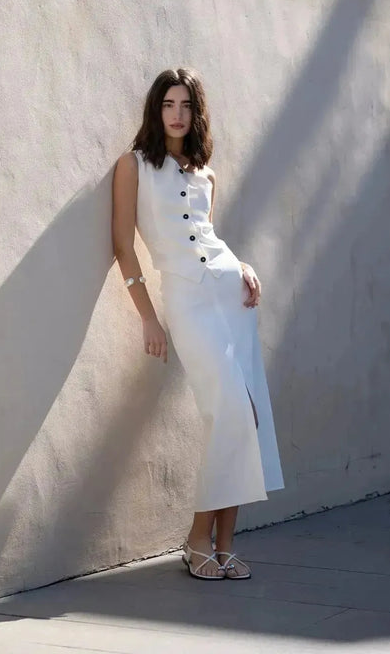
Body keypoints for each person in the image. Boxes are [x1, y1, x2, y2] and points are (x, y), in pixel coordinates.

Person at [112, 67, 284, 580]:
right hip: (185, 302)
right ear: (155, 109)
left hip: (232, 297)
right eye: (168, 104)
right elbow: (124, 246)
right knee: (228, 408)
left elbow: (207, 236)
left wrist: (245, 266)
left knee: (244, 416)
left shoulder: (205, 173)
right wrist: (148, 317)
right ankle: (195, 539)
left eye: (186, 105)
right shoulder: (134, 166)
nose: (177, 115)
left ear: (196, 111)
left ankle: (224, 544)